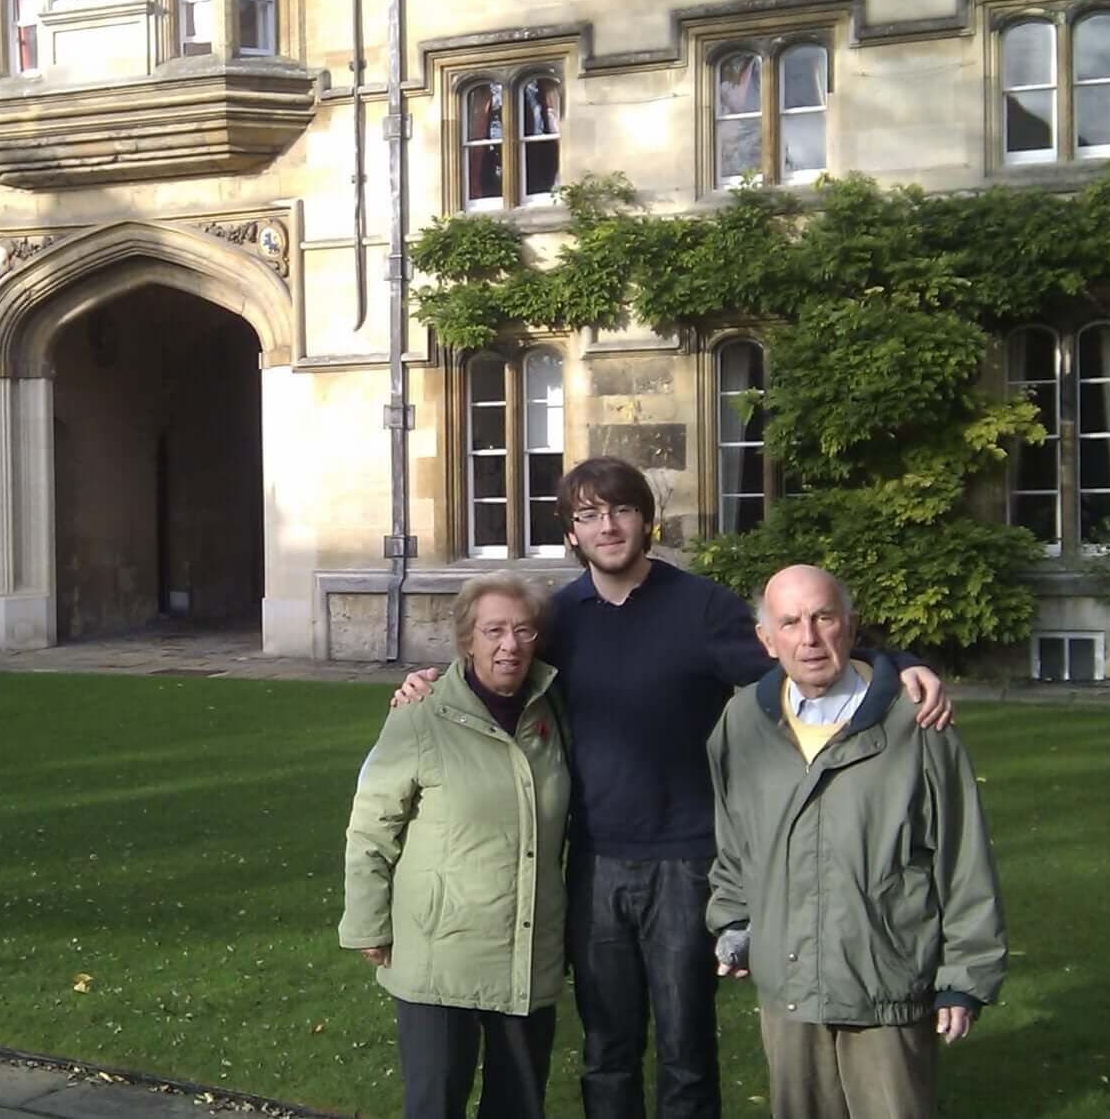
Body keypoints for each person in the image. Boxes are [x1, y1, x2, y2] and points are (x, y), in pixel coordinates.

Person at [392, 456, 951, 1119]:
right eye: (589, 516)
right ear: (571, 534)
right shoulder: (560, 619)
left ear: (645, 520)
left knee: (687, 1048)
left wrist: (902, 664)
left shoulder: (701, 607)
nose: (607, 527)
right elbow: (496, 668)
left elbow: (804, 653)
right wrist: (428, 682)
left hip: (688, 861)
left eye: (621, 510)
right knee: (608, 1047)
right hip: (595, 860)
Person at [708, 565, 1006, 1119]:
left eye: (823, 617)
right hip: (789, 987)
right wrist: (734, 921)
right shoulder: (742, 721)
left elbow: (964, 855)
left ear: (850, 624)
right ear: (766, 640)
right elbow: (733, 836)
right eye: (790, 622)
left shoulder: (916, 721)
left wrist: (966, 977)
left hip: (886, 980)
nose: (810, 638)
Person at [341, 571, 570, 1119]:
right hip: (439, 951)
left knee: (518, 1105)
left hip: (525, 949)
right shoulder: (420, 715)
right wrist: (368, 924)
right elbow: (371, 827)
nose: (509, 645)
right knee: (436, 1103)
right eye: (493, 631)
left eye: (523, 631)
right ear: (467, 639)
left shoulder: (557, 711)